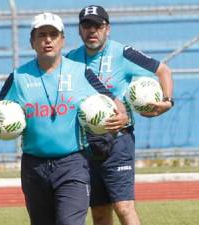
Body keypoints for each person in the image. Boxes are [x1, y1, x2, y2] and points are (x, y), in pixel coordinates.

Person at [0, 12, 129, 225]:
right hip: (34, 167)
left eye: (53, 34)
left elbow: (113, 100)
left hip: (73, 163)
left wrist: (122, 115)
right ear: (32, 41)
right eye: (42, 35)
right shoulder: (19, 76)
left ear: (62, 40)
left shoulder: (81, 72)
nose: (48, 39)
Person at [66, 5, 174, 225]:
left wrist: (167, 101)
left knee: (124, 208)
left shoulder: (123, 53)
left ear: (108, 29)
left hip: (118, 140)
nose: (92, 31)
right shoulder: (70, 60)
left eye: (98, 26)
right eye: (87, 26)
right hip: (85, 144)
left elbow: (163, 70)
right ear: (79, 30)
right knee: (99, 212)